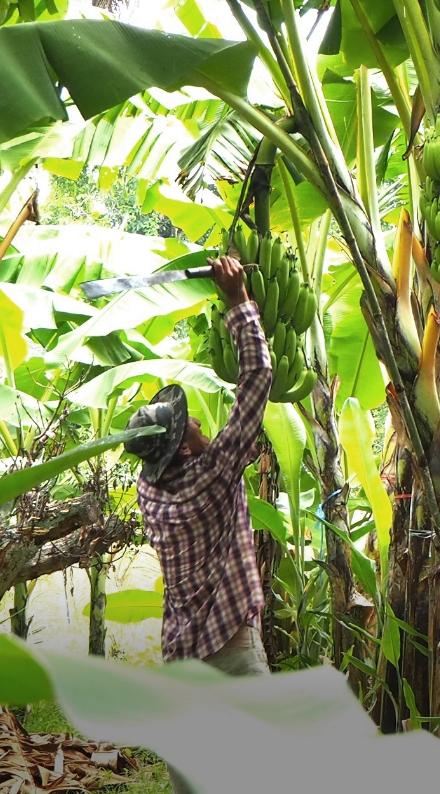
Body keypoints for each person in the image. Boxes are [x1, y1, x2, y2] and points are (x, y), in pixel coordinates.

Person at [125, 255, 273, 789]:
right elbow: (256, 378)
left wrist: (192, 442)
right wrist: (238, 300)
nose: (193, 419)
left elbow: (218, 471)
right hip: (233, 658)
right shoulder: (213, 475)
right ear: (181, 444)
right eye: (187, 421)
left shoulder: (150, 493)